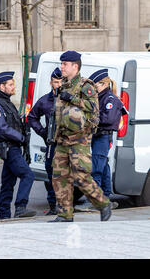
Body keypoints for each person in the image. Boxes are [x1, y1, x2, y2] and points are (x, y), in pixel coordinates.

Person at [49, 51, 113, 222]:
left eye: (65, 64)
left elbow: (93, 108)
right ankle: (65, 214)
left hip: (79, 139)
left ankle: (103, 203)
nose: (62, 67)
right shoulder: (63, 85)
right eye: (61, 64)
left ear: (75, 66)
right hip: (62, 138)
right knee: (60, 176)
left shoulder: (86, 86)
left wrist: (72, 99)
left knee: (81, 176)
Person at [0, 71, 37, 220]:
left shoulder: (7, 103)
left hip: (12, 148)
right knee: (28, 175)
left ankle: (5, 217)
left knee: (7, 184)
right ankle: (21, 207)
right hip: (9, 147)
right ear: (2, 86)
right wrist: (20, 137)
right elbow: (1, 128)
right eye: (10, 85)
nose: (13, 87)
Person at [79, 69, 125, 210]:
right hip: (96, 136)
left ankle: (95, 201)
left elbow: (109, 119)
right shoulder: (99, 98)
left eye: (95, 86)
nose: (93, 89)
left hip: (103, 137)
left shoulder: (111, 99)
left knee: (96, 168)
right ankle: (105, 197)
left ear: (104, 84)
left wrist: (90, 118)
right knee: (103, 166)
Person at [27, 67, 63, 215]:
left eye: (61, 82)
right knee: (50, 173)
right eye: (56, 82)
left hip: (67, 143)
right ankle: (53, 205)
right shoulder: (45, 101)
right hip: (52, 143)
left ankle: (65, 204)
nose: (59, 85)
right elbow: (31, 117)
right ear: (51, 83)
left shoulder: (70, 99)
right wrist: (43, 132)